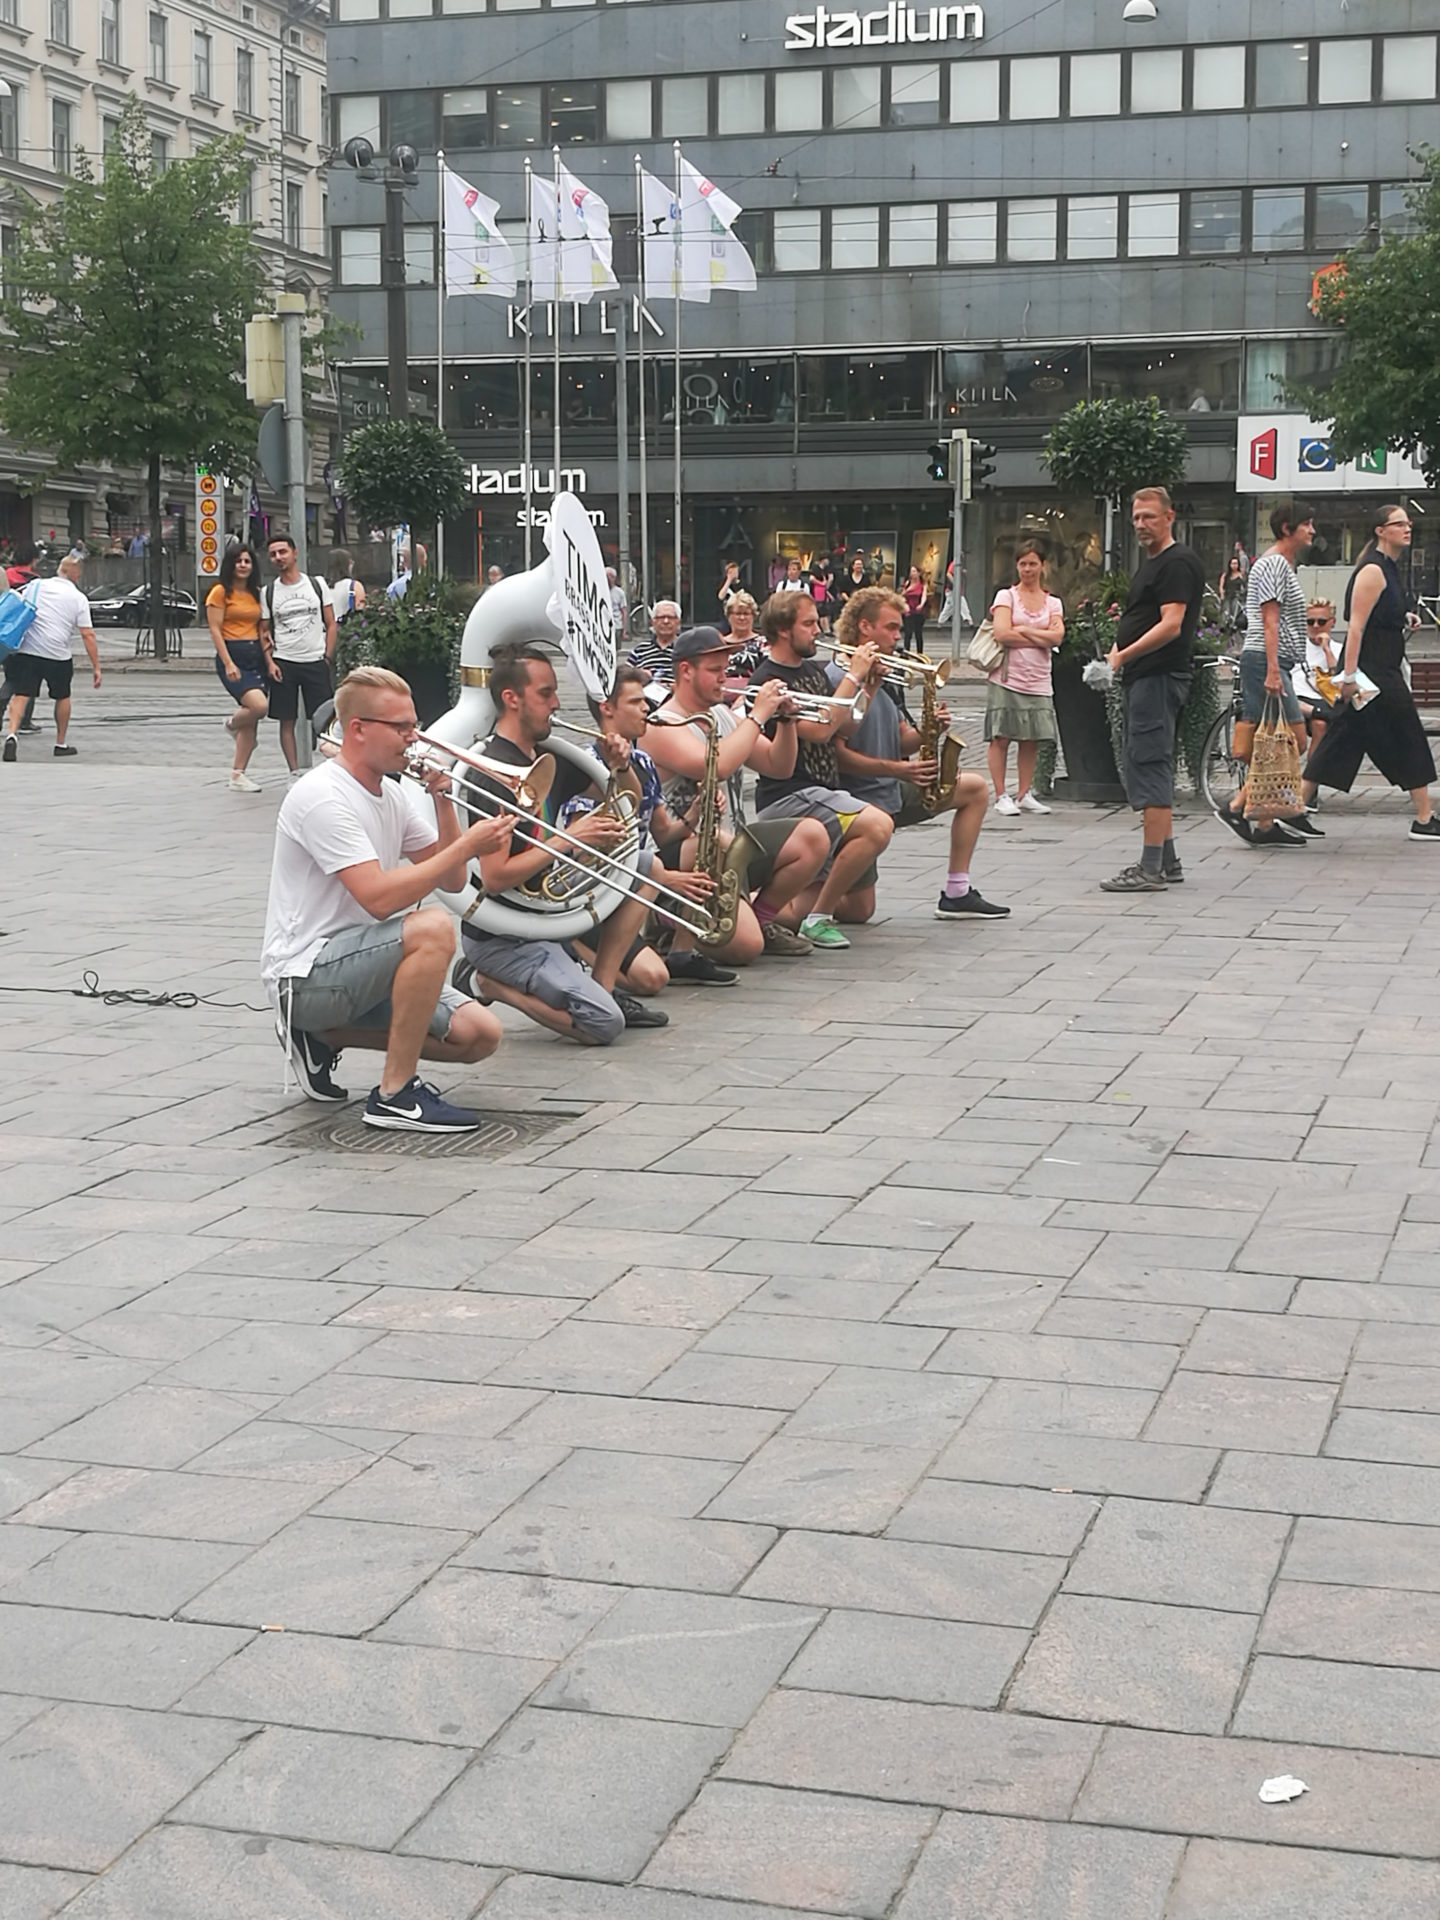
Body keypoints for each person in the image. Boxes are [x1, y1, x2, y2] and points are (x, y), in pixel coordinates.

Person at [261, 665, 509, 1130]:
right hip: (306, 974)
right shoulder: (322, 796)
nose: (412, 738)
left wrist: (444, 801)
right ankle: (395, 1094)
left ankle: (322, 1036)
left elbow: (453, 880)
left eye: (412, 725)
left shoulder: (390, 795)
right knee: (433, 928)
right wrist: (467, 846)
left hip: (360, 967)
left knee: (480, 1036)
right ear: (358, 729)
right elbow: (377, 898)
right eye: (401, 727)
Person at [453, 648, 670, 1042]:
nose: (556, 704)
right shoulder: (492, 774)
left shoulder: (548, 755)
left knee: (643, 864)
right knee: (604, 1025)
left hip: (545, 913)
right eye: (546, 693)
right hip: (504, 933)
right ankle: (487, 983)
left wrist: (619, 765)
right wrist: (570, 840)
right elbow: (495, 878)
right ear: (511, 698)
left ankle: (603, 986)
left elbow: (629, 804)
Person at [645, 627, 831, 959]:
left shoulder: (720, 714)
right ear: (686, 671)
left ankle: (762, 920)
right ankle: (664, 916)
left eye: (726, 669)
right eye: (715, 671)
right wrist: (758, 714)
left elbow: (778, 766)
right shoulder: (661, 723)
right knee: (744, 948)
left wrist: (787, 721)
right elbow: (715, 766)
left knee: (813, 835)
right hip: (683, 854)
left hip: (728, 845)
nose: (725, 678)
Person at [831, 586, 1009, 922]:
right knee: (859, 912)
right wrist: (898, 770)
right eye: (892, 628)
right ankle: (801, 900)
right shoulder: (838, 677)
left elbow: (902, 740)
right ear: (865, 628)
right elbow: (837, 755)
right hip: (858, 800)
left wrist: (931, 729)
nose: (899, 637)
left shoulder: (887, 677)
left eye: (900, 629)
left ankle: (957, 891)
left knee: (974, 789)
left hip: (889, 790)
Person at [563, 664, 736, 988]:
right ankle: (569, 943)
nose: (647, 708)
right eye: (635, 702)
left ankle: (681, 951)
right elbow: (583, 858)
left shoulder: (642, 761)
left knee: (704, 845)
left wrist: (698, 812)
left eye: (645, 701)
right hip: (596, 894)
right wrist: (666, 879)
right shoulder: (586, 764)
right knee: (652, 980)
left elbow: (663, 833)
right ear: (607, 708)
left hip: (635, 881)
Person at [745, 589, 893, 948]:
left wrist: (870, 685)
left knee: (796, 915)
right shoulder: (768, 680)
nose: (818, 630)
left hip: (824, 794)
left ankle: (743, 914)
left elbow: (845, 727)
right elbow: (820, 729)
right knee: (878, 825)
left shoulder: (812, 671)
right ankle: (819, 918)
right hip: (792, 795)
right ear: (783, 630)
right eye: (809, 623)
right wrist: (853, 676)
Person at [1303, 505, 1440, 841]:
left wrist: (1404, 619)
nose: (1407, 528)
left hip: (1382, 668)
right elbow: (1356, 629)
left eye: (1409, 523)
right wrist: (1348, 677)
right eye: (1399, 524)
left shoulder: (1390, 569)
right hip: (1373, 674)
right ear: (1381, 530)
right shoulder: (1372, 571)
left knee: (1341, 741)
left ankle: (1290, 809)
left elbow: (1383, 615)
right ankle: (1425, 818)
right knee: (1408, 734)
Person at [1100, 487, 1207, 892]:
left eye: (1149, 516)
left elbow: (1171, 624)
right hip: (1144, 677)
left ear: (1170, 517)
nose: (1141, 524)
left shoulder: (1177, 563)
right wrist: (1114, 654)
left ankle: (1150, 869)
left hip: (1159, 676)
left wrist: (1122, 657)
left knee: (1150, 764)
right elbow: (1139, 617)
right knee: (1145, 759)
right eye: (1137, 517)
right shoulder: (1153, 564)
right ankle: (1168, 860)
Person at [1217, 502, 1317, 848]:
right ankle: (1237, 806)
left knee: (1275, 740)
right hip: (1265, 660)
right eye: (1307, 525)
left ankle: (1264, 823)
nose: (1312, 531)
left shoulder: (1281, 564)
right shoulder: (1274, 563)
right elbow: (1269, 619)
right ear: (1287, 528)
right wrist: (1274, 670)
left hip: (1272, 660)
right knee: (1293, 738)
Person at [985, 540, 1063, 818]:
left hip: (1039, 679)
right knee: (1001, 736)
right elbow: (1002, 633)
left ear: (1043, 565)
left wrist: (1025, 630)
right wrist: (1041, 635)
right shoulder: (1006, 597)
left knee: (1031, 739)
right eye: (1022, 564)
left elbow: (1058, 637)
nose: (1027, 569)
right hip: (1008, 677)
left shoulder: (1053, 601)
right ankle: (1001, 794)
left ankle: (1024, 793)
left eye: (1032, 563)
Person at [1, 554, 101, 761]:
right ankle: (60, 743)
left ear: (59, 570)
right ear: (77, 574)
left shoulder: (36, 586)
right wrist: (96, 667)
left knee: (21, 694)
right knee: (62, 696)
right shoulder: (78, 598)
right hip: (58, 655)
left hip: (27, 652)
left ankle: (12, 734)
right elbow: (87, 634)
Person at [264, 533, 337, 778]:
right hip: (284, 662)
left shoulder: (316, 584)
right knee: (287, 720)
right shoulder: (269, 592)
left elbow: (331, 623)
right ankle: (294, 773)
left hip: (315, 661)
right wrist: (270, 661)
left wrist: (327, 656)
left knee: (326, 720)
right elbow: (263, 631)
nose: (278, 557)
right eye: (273, 554)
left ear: (295, 553)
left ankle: (330, 771)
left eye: (282, 552)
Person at [207, 544, 271, 793]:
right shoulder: (220, 592)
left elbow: (262, 627)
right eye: (238, 561)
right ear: (231, 565)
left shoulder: (257, 593)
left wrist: (268, 655)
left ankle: (238, 774)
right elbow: (214, 629)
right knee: (258, 707)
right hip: (233, 654)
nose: (243, 565)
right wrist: (228, 662)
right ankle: (231, 724)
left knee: (252, 718)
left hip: (255, 654)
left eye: (247, 561)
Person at [627, 598, 681, 683]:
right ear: (653, 622)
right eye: (661, 617)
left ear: (678, 622)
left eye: (670, 617)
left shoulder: (687, 648)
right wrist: (639, 674)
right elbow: (625, 676)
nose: (666, 621)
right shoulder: (640, 649)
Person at [720, 590, 760, 663]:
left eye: (746, 614)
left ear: (753, 616)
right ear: (729, 616)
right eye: (738, 614)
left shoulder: (763, 644)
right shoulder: (720, 644)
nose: (742, 618)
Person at [329, 552, 367, 618]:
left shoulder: (322, 586)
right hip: (347, 626)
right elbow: (361, 611)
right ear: (347, 565)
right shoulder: (355, 585)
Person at [900, 565, 928, 653]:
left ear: (919, 573)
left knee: (918, 633)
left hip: (918, 611)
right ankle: (906, 652)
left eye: (914, 571)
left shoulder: (923, 584)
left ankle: (920, 653)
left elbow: (924, 596)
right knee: (908, 633)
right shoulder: (908, 583)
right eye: (911, 571)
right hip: (908, 610)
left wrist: (921, 604)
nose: (913, 573)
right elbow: (902, 595)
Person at [1218, 554, 1247, 638]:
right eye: (1232, 563)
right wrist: (1222, 594)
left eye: (1236, 563)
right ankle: (1224, 628)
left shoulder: (1240, 575)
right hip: (1227, 596)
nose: (1234, 566)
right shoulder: (1225, 575)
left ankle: (1233, 627)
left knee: (1234, 612)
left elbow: (1244, 586)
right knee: (1226, 611)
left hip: (1236, 597)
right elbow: (1221, 586)